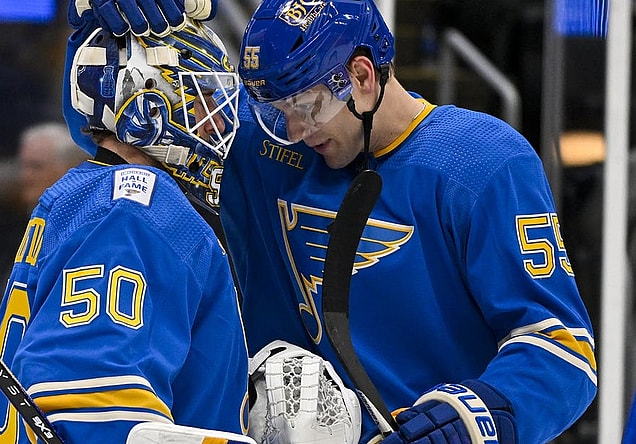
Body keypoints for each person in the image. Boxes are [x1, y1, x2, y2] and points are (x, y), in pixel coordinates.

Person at [61, 0, 597, 443]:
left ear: (362, 76)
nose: (293, 128)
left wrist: (470, 419)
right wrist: (95, 45)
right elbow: (121, 136)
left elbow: (564, 352)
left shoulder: (482, 162)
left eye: (308, 105)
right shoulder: (261, 148)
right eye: (274, 110)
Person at [0, 19, 248, 443]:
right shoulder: (137, 207)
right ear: (146, 106)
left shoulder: (88, 196)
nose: (217, 125)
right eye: (200, 99)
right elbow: (94, 410)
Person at [17, 122, 87, 211]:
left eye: (36, 167)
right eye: (24, 166)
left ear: (69, 170)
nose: (25, 176)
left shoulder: (93, 219)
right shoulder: (5, 221)